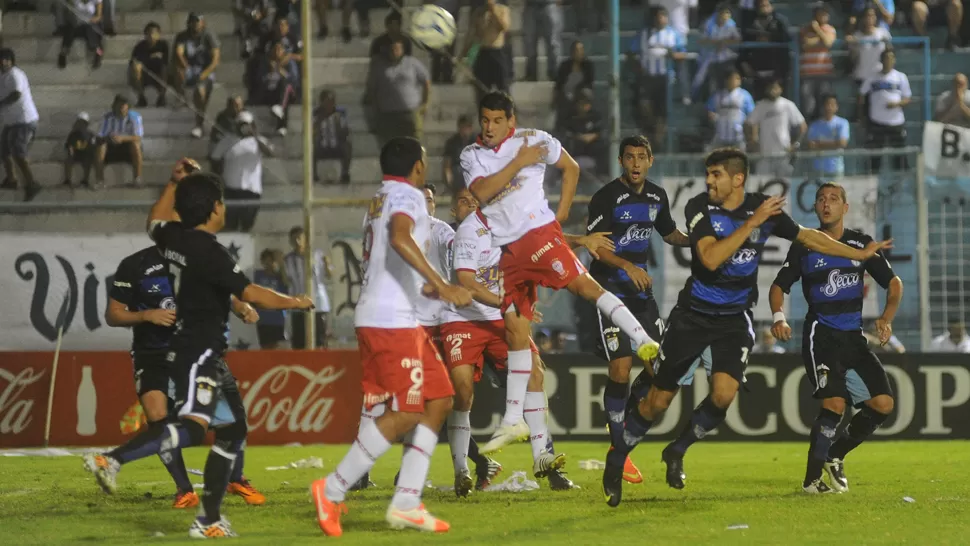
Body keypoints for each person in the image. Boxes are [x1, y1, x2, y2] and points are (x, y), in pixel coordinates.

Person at [601, 148, 892, 507]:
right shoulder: (699, 207)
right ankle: (615, 463)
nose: (708, 180)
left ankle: (677, 449)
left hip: (735, 320)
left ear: (737, 179)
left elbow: (808, 237)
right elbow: (709, 258)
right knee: (658, 401)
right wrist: (752, 224)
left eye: (716, 175)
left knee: (723, 395)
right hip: (693, 316)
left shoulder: (761, 207)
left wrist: (859, 255)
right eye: (708, 174)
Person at [83, 163, 314, 538]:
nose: (223, 208)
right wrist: (296, 301)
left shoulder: (174, 239)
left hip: (191, 350)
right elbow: (251, 293)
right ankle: (112, 459)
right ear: (215, 209)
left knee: (232, 428)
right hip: (199, 353)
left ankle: (208, 518)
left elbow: (155, 219)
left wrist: (174, 183)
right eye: (221, 202)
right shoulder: (211, 254)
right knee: (192, 429)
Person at [460, 91, 661, 454]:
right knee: (515, 327)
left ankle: (642, 339)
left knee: (584, 287)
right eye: (484, 119)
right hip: (509, 250)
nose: (488, 127)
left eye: (496, 120)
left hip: (538, 235)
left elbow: (570, 167)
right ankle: (512, 420)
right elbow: (485, 192)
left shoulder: (535, 139)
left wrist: (562, 214)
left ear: (511, 121)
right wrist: (519, 162)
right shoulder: (471, 155)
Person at [310, 137, 473, 536]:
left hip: (391, 314)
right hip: (390, 319)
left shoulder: (380, 196)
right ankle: (331, 489)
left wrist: (424, 285)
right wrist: (442, 283)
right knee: (406, 412)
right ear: (418, 166)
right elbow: (400, 239)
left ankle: (406, 501)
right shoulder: (410, 196)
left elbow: (388, 248)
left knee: (439, 400)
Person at [442, 187, 586, 494]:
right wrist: (506, 302)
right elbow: (466, 283)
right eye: (462, 200)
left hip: (499, 315)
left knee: (535, 373)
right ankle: (461, 471)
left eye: (474, 198)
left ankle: (544, 461)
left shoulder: (509, 223)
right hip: (463, 318)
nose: (470, 203)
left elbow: (544, 241)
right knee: (462, 390)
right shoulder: (467, 232)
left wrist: (579, 241)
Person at [769, 182, 902, 493]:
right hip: (822, 335)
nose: (826, 203)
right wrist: (778, 316)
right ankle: (811, 481)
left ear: (846, 208)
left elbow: (894, 284)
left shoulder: (861, 244)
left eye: (833, 199)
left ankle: (835, 455)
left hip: (853, 339)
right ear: (815, 208)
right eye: (820, 199)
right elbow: (779, 286)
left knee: (882, 404)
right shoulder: (804, 244)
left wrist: (886, 318)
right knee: (835, 403)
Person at [586, 134, 690, 486]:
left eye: (641, 157)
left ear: (650, 160)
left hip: (640, 296)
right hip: (609, 293)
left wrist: (700, 240)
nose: (635, 163)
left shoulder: (657, 196)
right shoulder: (606, 197)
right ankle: (619, 447)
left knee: (659, 369)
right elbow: (596, 248)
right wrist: (628, 266)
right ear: (621, 161)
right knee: (620, 366)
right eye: (629, 157)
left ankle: (623, 423)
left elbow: (670, 233)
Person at [210, 111, 273, 232]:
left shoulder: (258, 141)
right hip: (231, 189)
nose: (244, 127)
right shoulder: (227, 141)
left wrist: (254, 135)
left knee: (247, 223)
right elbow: (214, 159)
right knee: (230, 224)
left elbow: (270, 152)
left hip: (251, 190)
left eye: (247, 124)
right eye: (241, 124)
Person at [0, 48, 41, 202]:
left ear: (12, 61)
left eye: (7, 59)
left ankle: (32, 183)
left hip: (24, 121)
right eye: (2, 59)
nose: (4, 62)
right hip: (11, 122)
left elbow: (16, 94)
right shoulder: (1, 76)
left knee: (18, 153)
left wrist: (1, 104)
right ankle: (11, 180)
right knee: (3, 151)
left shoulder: (15, 74)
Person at [283, 226, 333, 349]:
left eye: (299, 238)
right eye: (294, 239)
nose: (297, 242)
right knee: (299, 341)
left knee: (320, 339)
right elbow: (286, 281)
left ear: (306, 239)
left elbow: (329, 275)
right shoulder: (288, 260)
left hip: (318, 304)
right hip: (298, 304)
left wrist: (327, 265)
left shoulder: (318, 255)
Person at [745, 79, 806, 177]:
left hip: (783, 154)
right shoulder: (760, 106)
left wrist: (795, 145)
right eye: (770, 88)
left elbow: (802, 126)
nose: (773, 90)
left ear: (781, 89)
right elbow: (748, 124)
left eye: (775, 88)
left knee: (784, 184)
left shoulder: (788, 105)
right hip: (764, 154)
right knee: (762, 185)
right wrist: (752, 141)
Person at [174, 13, 222, 139]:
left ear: (203, 22)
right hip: (190, 68)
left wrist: (204, 74)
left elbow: (216, 59)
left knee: (200, 93)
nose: (195, 24)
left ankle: (199, 125)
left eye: (197, 21)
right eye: (193, 21)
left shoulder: (208, 35)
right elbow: (179, 53)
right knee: (177, 69)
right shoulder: (182, 36)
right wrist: (186, 67)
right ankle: (181, 97)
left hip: (205, 69)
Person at [95, 94, 144, 188]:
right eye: (119, 104)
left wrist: (122, 138)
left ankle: (137, 179)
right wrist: (110, 138)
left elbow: (138, 137)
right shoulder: (107, 117)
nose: (122, 106)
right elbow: (100, 136)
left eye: (124, 104)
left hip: (128, 148)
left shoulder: (135, 117)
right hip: (111, 147)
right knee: (101, 146)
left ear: (128, 106)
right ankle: (100, 180)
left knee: (136, 145)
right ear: (114, 105)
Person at [313, 89, 352, 184]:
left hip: (336, 146)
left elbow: (346, 132)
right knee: (310, 148)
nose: (330, 104)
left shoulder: (340, 114)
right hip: (322, 146)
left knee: (347, 145)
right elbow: (311, 132)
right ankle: (313, 174)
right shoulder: (316, 114)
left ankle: (345, 173)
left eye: (332, 101)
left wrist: (340, 125)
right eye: (327, 101)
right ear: (322, 102)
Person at [806, 94, 850, 178]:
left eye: (832, 104)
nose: (829, 107)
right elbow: (810, 145)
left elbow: (842, 143)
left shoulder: (843, 123)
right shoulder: (814, 125)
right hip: (818, 170)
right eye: (827, 104)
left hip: (836, 169)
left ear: (837, 107)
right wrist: (834, 144)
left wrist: (819, 144)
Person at [254, 249, 288, 349]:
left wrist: (281, 264)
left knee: (277, 347)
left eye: (272, 261)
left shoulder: (281, 277)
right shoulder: (258, 275)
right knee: (264, 346)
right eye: (266, 261)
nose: (269, 264)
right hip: (263, 319)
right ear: (262, 262)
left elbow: (287, 285)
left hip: (277, 319)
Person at [129, 22, 169, 108]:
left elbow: (167, 61)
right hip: (144, 76)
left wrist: (146, 58)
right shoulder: (140, 46)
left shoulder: (163, 45)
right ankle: (141, 98)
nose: (151, 36)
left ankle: (162, 97)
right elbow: (133, 62)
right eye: (149, 33)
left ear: (159, 34)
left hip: (160, 76)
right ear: (145, 35)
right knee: (135, 68)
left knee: (165, 68)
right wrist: (151, 56)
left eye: (154, 33)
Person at [57, 0, 104, 70]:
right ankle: (63, 53)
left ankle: (98, 53)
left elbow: (99, 16)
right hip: (78, 25)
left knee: (90, 30)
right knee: (70, 28)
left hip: (90, 25)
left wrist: (93, 19)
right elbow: (70, 13)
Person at [63, 112, 97, 189]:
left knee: (88, 161)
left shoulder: (91, 134)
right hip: (76, 154)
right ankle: (67, 180)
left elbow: (93, 146)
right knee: (68, 160)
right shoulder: (73, 134)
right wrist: (71, 153)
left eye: (83, 123)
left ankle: (85, 180)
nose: (81, 125)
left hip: (87, 154)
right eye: (80, 122)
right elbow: (70, 146)